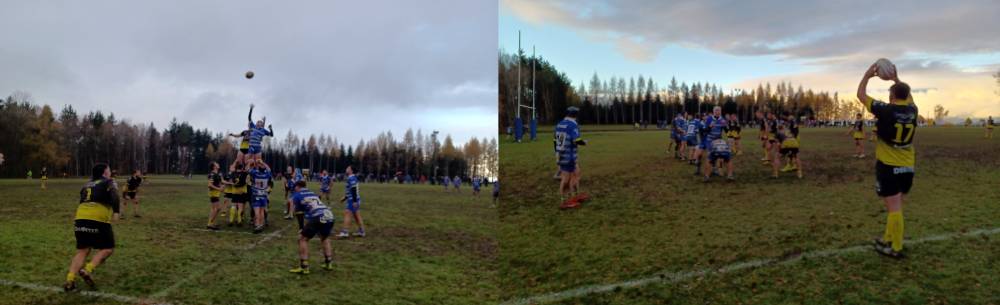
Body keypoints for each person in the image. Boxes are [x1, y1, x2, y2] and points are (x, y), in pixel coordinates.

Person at [858, 62, 916, 259]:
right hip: (908, 165)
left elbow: (861, 95)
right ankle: (888, 238)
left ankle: (896, 247)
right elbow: (907, 94)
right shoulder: (912, 110)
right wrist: (896, 79)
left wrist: (868, 74)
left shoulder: (885, 110)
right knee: (894, 205)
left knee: (894, 208)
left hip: (889, 166)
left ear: (891, 96)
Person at [63, 163, 120, 292]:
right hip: (97, 218)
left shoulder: (86, 185)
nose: (110, 172)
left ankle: (70, 280)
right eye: (109, 170)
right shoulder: (109, 181)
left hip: (80, 218)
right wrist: (116, 212)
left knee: (82, 250)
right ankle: (87, 270)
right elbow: (115, 196)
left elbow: (82, 200)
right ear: (105, 172)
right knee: (107, 248)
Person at [288, 180, 335, 274]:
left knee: (302, 239)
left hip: (317, 216)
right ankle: (328, 263)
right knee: (324, 237)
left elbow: (299, 213)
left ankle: (304, 267)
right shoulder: (312, 192)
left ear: (297, 187)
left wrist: (301, 228)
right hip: (329, 215)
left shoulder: (297, 195)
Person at [555, 106, 588, 209]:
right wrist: (584, 143)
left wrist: (557, 155)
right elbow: (576, 140)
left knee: (576, 173)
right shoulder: (572, 125)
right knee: (566, 178)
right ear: (575, 115)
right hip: (569, 155)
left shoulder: (560, 124)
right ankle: (564, 201)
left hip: (562, 154)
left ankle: (575, 196)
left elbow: (556, 141)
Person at [337, 166, 366, 238]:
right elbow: (350, 190)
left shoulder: (351, 178)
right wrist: (345, 197)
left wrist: (354, 201)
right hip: (353, 199)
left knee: (347, 214)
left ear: (351, 171)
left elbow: (353, 189)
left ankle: (345, 232)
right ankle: (361, 231)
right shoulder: (351, 178)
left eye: (348, 168)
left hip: (352, 200)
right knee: (357, 216)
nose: (346, 169)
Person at [248, 159, 272, 233]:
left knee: (257, 211)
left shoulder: (255, 173)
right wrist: (262, 162)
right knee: (262, 211)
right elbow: (269, 169)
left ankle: (257, 225)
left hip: (256, 195)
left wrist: (251, 163)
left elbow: (248, 169)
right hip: (263, 195)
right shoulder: (267, 174)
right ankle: (261, 224)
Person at [778, 113, 803, 178]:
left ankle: (789, 166)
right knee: (794, 155)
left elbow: (795, 132)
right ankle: (796, 169)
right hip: (793, 139)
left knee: (791, 154)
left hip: (791, 140)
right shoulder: (791, 122)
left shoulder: (791, 122)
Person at [228, 162, 249, 226]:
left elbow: (231, 181)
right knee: (240, 207)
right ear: (242, 167)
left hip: (234, 192)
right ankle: (239, 221)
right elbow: (246, 182)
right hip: (241, 192)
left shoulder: (232, 173)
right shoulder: (245, 173)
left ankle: (231, 220)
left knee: (233, 206)